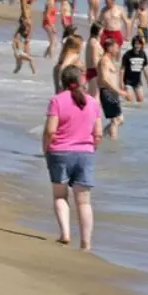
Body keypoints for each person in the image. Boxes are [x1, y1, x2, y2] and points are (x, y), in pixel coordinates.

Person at [42, 66, 101, 251]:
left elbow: (51, 130)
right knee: (84, 201)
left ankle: (65, 234)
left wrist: (46, 149)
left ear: (63, 81)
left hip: (60, 152)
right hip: (86, 152)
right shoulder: (92, 102)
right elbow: (98, 134)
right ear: (82, 81)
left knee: (60, 195)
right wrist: (91, 148)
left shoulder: (57, 100)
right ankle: (86, 243)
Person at [97, 38, 131, 139]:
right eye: (116, 48)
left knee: (119, 120)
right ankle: (113, 144)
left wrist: (120, 90)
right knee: (116, 120)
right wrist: (120, 92)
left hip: (113, 93)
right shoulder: (104, 61)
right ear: (109, 48)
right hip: (107, 92)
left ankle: (101, 137)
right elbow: (105, 80)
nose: (118, 50)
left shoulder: (110, 61)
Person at [120, 36, 148, 103]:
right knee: (130, 101)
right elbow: (122, 69)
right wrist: (121, 82)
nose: (137, 46)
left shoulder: (143, 54)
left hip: (138, 82)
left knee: (140, 101)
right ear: (133, 44)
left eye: (139, 44)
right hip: (128, 81)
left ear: (141, 45)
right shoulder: (127, 54)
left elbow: (145, 68)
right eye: (136, 44)